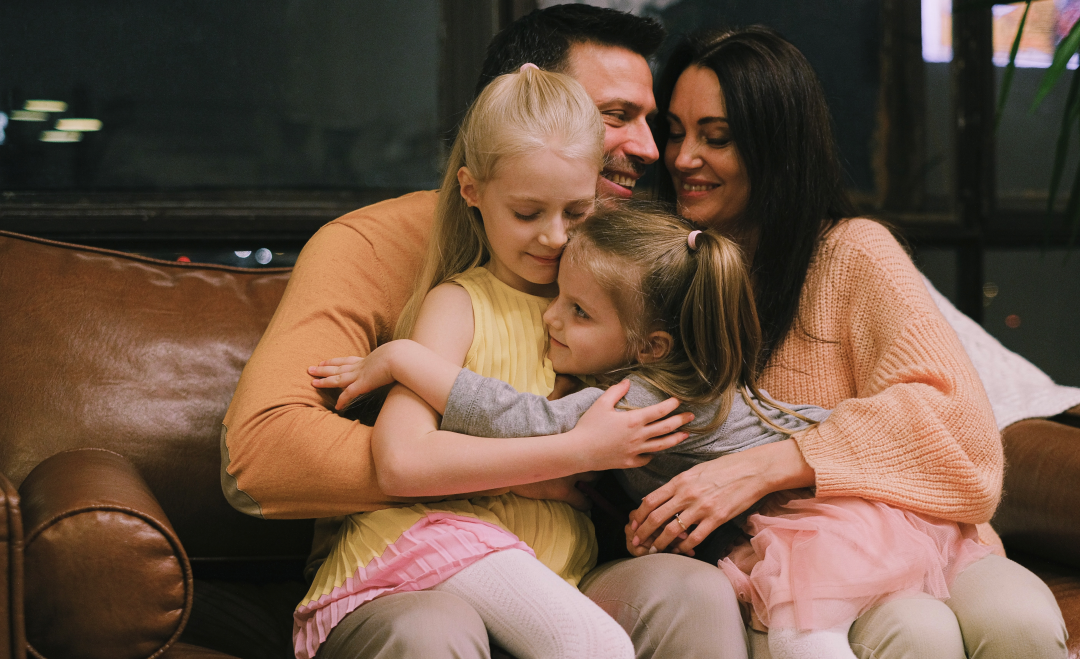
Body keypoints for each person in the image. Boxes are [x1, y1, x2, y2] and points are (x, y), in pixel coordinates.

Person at [223, 5, 751, 658]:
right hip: (427, 565)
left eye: (650, 121)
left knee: (693, 591)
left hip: (563, 564)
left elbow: (693, 406)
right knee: (436, 630)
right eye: (615, 116)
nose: (648, 148)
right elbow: (263, 456)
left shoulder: (617, 270)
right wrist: (543, 464)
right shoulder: (397, 259)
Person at [311, 205, 999, 659]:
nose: (551, 318)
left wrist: (404, 360)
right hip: (841, 521)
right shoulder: (696, 381)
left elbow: (516, 418)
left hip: (822, 528)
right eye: (558, 299)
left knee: (803, 640)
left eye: (578, 311)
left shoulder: (635, 398)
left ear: (650, 345)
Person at [614, 26, 1065, 658]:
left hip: (926, 537)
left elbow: (961, 431)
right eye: (676, 132)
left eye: (716, 137)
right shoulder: (653, 272)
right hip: (783, 565)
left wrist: (769, 465)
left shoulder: (851, 252)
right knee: (918, 632)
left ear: (777, 146)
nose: (684, 158)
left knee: (1022, 622)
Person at [291, 64, 692, 659]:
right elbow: (400, 462)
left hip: (553, 569)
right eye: (527, 213)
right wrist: (577, 454)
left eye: (576, 212)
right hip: (431, 548)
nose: (554, 237)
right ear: (472, 191)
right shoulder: (459, 304)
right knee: (589, 643)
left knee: (690, 592)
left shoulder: (615, 309)